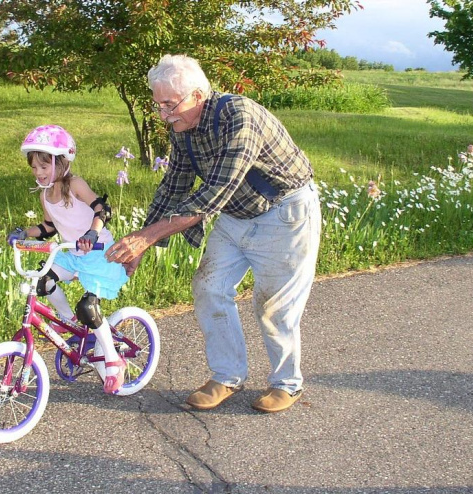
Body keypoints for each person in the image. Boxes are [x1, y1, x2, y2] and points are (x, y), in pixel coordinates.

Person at [105, 54, 321, 413]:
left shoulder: (240, 116)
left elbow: (214, 193)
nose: (163, 114)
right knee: (208, 287)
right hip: (237, 214)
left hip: (284, 213)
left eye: (169, 105)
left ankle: (287, 383)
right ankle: (227, 376)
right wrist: (142, 242)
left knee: (274, 307)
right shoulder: (182, 129)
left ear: (197, 95)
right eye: (158, 105)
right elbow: (174, 186)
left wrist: (148, 237)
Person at [7, 124, 130, 394]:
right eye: (34, 168)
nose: (38, 173)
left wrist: (91, 234)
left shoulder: (75, 185)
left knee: (89, 307)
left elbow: (102, 209)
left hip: (98, 253)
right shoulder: (45, 195)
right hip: (72, 254)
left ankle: (113, 360)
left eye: (44, 166)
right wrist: (23, 232)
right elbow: (49, 228)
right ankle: (68, 320)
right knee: (43, 283)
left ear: (61, 162)